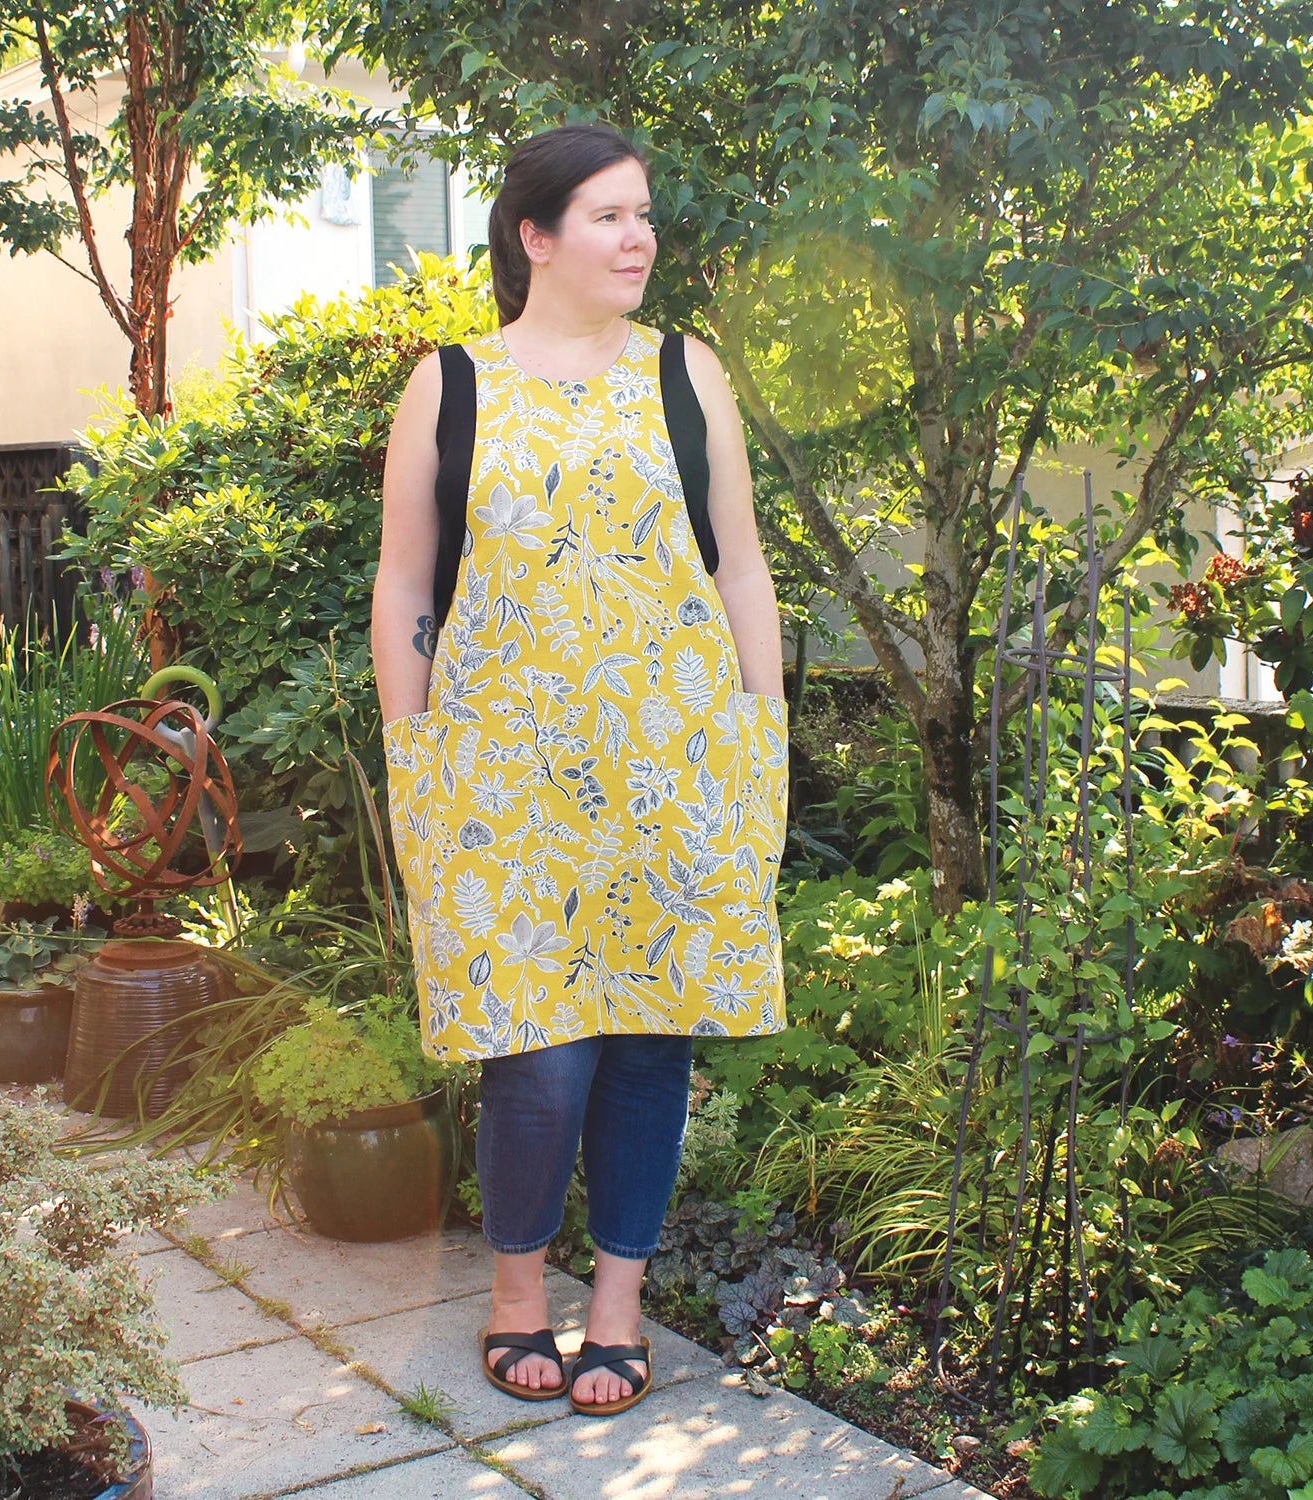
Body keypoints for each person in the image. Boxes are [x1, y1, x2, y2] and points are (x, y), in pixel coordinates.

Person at [371, 124, 788, 1417]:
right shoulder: (451, 385)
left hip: (675, 766)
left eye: (644, 214)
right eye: (609, 215)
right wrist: (413, 746)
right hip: (500, 781)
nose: (639, 237)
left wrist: (763, 728)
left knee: (651, 1044)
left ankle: (617, 1308)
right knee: (535, 1054)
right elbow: (404, 581)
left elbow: (738, 562)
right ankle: (515, 1295)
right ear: (535, 237)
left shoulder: (685, 373)